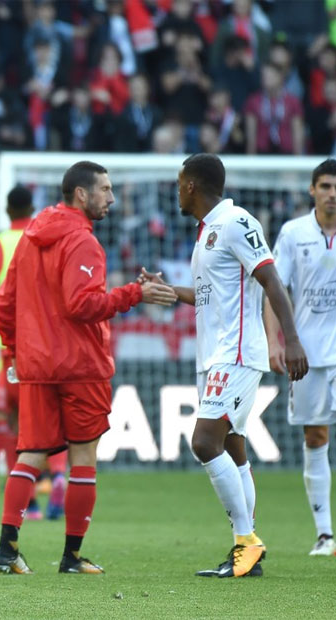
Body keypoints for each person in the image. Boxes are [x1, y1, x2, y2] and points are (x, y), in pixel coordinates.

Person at [0, 161, 177, 576]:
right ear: (81, 194)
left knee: (31, 454)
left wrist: (17, 352)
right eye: (105, 189)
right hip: (80, 366)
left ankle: (6, 549)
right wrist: (135, 293)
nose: (111, 198)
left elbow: (4, 305)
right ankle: (72, 557)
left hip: (38, 366)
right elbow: (82, 305)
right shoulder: (84, 242)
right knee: (83, 457)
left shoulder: (30, 237)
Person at [143, 153, 308, 578]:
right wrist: (166, 291)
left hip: (236, 353)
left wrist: (289, 340)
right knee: (233, 448)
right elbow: (206, 294)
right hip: (212, 355)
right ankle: (246, 550)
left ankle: (246, 542)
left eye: (180, 183)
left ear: (192, 185)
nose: (177, 191)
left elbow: (271, 279)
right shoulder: (207, 233)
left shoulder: (237, 221)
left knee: (203, 442)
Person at [0, 184, 69, 522]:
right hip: (52, 348)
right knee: (52, 422)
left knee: (9, 421)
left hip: (10, 352)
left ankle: (31, 505)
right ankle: (58, 477)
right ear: (33, 209)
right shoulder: (49, 239)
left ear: (8, 211)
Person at [263, 158, 336, 557]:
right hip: (307, 354)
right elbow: (273, 288)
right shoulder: (293, 233)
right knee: (315, 436)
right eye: (325, 186)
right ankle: (325, 535)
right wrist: (275, 342)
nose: (332, 193)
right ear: (312, 190)